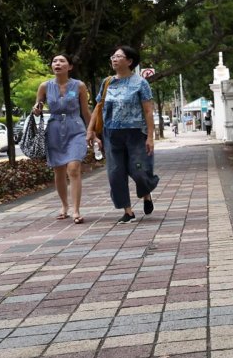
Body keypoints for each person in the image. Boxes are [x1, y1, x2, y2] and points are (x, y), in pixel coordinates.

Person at [87, 45, 159, 224]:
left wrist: (150, 136)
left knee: (139, 170)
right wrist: (90, 130)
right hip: (111, 133)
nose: (114, 59)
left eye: (118, 56)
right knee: (115, 173)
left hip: (136, 133)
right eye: (113, 56)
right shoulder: (107, 82)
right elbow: (98, 106)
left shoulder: (141, 83)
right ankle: (128, 211)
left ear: (129, 61)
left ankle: (146, 193)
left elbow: (148, 111)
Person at [33, 54, 91, 224]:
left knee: (73, 168)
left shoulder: (79, 86)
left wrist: (93, 131)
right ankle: (64, 205)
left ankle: (76, 210)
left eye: (62, 61)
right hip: (55, 128)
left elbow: (85, 111)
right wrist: (37, 109)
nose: (57, 64)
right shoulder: (44, 86)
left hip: (75, 127)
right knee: (58, 169)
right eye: (54, 61)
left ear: (70, 66)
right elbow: (38, 105)